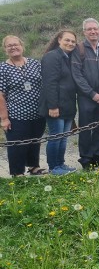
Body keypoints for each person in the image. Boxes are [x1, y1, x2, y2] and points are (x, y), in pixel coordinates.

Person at [0, 35, 46, 176]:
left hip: (37, 113)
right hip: (16, 115)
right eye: (9, 46)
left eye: (16, 44)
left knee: (34, 140)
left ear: (22, 46)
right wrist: (4, 118)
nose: (13, 47)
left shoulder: (34, 63)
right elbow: (0, 95)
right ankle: (17, 173)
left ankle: (33, 166)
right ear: (5, 49)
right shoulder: (2, 68)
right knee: (17, 145)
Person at [71, 18, 99, 170]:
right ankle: (86, 159)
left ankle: (97, 156)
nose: (93, 31)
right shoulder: (78, 49)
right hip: (86, 97)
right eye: (89, 29)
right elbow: (77, 76)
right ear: (84, 32)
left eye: (95, 29)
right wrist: (92, 94)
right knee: (86, 128)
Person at [40, 30, 78, 175]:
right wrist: (53, 106)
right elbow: (50, 83)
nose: (70, 43)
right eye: (67, 40)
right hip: (55, 106)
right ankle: (53, 167)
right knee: (56, 137)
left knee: (63, 137)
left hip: (67, 105)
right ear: (59, 40)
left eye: (73, 41)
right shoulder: (52, 57)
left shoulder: (67, 57)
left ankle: (61, 164)